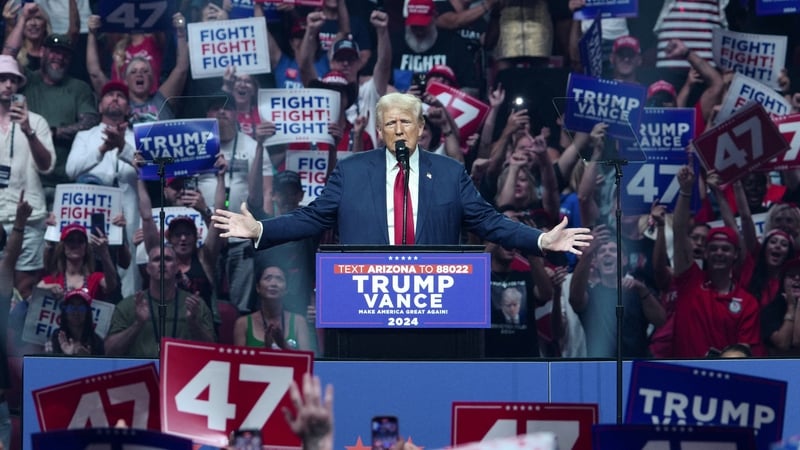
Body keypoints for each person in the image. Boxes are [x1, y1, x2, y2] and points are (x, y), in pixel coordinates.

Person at [212, 93, 592, 256]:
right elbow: (312, 218)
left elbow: (490, 222)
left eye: (405, 121)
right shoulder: (351, 172)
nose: (397, 129)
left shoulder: (449, 173)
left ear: (420, 127)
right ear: (378, 131)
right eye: (389, 123)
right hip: (365, 303)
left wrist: (540, 241)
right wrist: (261, 229)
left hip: (435, 304)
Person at [671, 164, 765, 357]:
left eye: (725, 249)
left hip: (723, 381)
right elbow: (679, 232)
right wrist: (686, 191)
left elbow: (744, 352)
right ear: (705, 253)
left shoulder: (747, 303)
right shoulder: (690, 281)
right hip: (682, 378)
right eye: (713, 248)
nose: (719, 253)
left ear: (736, 255)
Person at [4, 11, 99, 200]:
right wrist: (22, 19)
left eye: (65, 54)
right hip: (27, 182)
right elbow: (7, 58)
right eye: (54, 52)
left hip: (65, 182)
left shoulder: (79, 87)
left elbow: (90, 122)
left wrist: (53, 132)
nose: (59, 57)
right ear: (43, 53)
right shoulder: (27, 80)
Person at [0, 54, 55, 299]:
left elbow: (47, 167)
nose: (8, 85)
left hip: (29, 217)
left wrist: (28, 131)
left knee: (25, 290)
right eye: (2, 79)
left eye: (13, 80)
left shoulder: (37, 121)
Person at [104, 246, 216, 357]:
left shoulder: (196, 305)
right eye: (156, 259)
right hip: (142, 372)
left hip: (182, 371)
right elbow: (110, 351)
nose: (162, 264)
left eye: (168, 259)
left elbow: (212, 352)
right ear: (148, 268)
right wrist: (137, 324)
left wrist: (194, 323)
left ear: (177, 267)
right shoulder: (128, 305)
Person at [233, 264, 312, 351]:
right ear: (258, 287)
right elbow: (239, 362)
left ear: (286, 289)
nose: (274, 284)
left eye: (279, 279)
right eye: (268, 278)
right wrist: (267, 348)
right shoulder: (243, 323)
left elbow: (307, 361)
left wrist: (283, 345)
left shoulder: (299, 321)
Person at [37, 223, 118, 301]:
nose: (75, 244)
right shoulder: (51, 281)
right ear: (63, 246)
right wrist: (45, 290)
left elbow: (111, 286)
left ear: (86, 247)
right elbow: (32, 301)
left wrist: (104, 253)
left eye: (80, 241)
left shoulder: (96, 279)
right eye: (70, 240)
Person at [46, 288, 104, 355]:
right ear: (65, 312)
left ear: (87, 313)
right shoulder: (56, 336)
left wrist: (86, 358)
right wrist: (67, 355)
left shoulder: (97, 341)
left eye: (81, 308)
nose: (76, 313)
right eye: (71, 307)